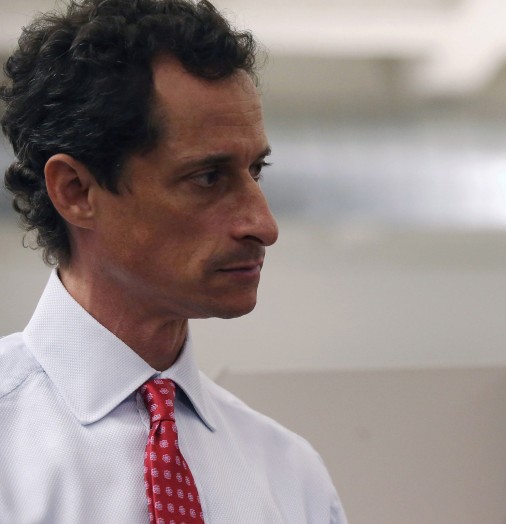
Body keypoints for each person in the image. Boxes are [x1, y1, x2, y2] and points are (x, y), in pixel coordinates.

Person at [0, 1, 346, 522]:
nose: (263, 225)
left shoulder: (290, 475)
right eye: (208, 178)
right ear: (75, 191)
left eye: (256, 171)